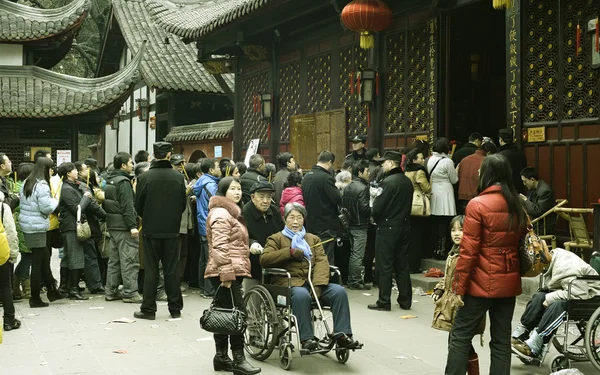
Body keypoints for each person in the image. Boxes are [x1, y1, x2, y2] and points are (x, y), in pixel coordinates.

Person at [445, 154, 527, 375]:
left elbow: (469, 251)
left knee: (460, 335)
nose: (478, 173)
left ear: (488, 174)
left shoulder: (477, 204)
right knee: (501, 340)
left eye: (481, 170)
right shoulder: (517, 203)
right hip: (508, 281)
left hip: (479, 283)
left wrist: (458, 287)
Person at [261, 202, 361, 351]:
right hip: (289, 284)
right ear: (285, 219)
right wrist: (289, 252)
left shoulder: (313, 239)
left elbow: (322, 261)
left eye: (299, 218)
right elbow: (265, 259)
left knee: (339, 292)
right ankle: (306, 339)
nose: (295, 222)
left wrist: (318, 285)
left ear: (304, 220)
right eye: (292, 217)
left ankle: (342, 334)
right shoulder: (276, 239)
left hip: (313, 283)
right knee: (301, 295)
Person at [204, 176, 261, 375]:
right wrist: (226, 274)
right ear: (223, 192)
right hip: (226, 271)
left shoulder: (230, 213)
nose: (237, 192)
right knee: (238, 315)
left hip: (231, 269)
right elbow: (219, 247)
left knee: (225, 315)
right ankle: (238, 359)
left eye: (239, 189)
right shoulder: (221, 213)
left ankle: (221, 357)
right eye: (233, 189)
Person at [511, 247, 600, 361]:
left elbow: (579, 293)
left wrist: (550, 298)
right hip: (575, 292)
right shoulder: (554, 259)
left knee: (557, 305)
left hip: (591, 297)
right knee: (539, 297)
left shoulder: (565, 266)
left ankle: (535, 344)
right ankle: (521, 334)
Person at [134, 142, 187, 320]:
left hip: (151, 229)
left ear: (154, 154)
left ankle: (148, 308)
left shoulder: (145, 177)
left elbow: (138, 206)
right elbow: (182, 205)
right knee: (171, 270)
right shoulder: (179, 177)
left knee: (151, 270)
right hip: (171, 230)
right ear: (169, 155)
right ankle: (175, 308)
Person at [432, 215, 483, 375]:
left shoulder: (468, 254)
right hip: (450, 303)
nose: (456, 233)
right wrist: (439, 289)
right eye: (453, 230)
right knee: (460, 343)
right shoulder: (453, 252)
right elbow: (448, 276)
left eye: (461, 230)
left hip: (461, 304)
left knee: (458, 343)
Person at [368, 151, 413, 311]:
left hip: (387, 227)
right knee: (402, 264)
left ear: (392, 163)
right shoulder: (407, 181)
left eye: (384, 162)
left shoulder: (388, 182)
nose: (382, 165)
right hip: (404, 225)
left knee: (384, 264)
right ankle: (405, 300)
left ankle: (384, 300)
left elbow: (378, 208)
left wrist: (374, 214)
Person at [57, 162, 106, 300]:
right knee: (75, 258)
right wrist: (87, 197)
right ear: (68, 173)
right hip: (71, 226)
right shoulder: (67, 189)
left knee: (69, 258)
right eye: (73, 170)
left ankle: (64, 287)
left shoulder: (75, 185)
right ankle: (73, 289)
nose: (76, 172)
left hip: (74, 225)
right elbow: (76, 208)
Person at [19, 157, 62, 307]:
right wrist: (55, 200)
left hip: (29, 226)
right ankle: (35, 298)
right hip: (37, 226)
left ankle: (52, 290)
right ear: (45, 169)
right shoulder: (42, 185)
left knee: (43, 259)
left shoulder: (27, 182)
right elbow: (46, 208)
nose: (52, 171)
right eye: (51, 169)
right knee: (38, 263)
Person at [103, 152, 142, 303]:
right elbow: (127, 206)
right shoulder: (124, 182)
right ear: (123, 165)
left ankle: (111, 291)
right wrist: (132, 226)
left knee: (114, 260)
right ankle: (130, 292)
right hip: (124, 227)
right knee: (130, 260)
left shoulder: (110, 180)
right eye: (131, 163)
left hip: (113, 225)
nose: (133, 165)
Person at [242, 181, 284, 292]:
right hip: (253, 264)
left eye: (269, 197)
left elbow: (282, 232)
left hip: (273, 262)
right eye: (261, 197)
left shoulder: (274, 211)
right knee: (253, 299)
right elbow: (241, 237)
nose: (265, 201)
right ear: (252, 197)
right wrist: (252, 243)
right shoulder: (244, 213)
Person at [302, 151, 342, 265]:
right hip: (326, 224)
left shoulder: (306, 177)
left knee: (314, 254)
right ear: (330, 162)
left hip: (311, 223)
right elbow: (337, 198)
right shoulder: (325, 178)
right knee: (326, 257)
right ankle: (325, 281)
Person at [192, 158, 221, 298]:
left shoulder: (201, 182)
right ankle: (209, 290)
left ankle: (203, 287)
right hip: (210, 224)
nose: (219, 169)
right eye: (217, 166)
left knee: (204, 258)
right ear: (210, 170)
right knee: (211, 258)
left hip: (202, 223)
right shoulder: (210, 185)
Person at [341, 159, 371, 290]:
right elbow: (364, 208)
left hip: (350, 223)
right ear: (360, 172)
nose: (369, 173)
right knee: (358, 255)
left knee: (353, 253)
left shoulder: (348, 186)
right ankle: (355, 281)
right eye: (367, 171)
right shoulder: (363, 188)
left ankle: (352, 279)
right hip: (360, 224)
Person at [428, 138, 459, 259]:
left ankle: (435, 249)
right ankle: (443, 250)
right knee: (445, 222)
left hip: (434, 189)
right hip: (445, 191)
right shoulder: (447, 161)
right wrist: (456, 171)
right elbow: (454, 179)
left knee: (436, 221)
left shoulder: (430, 160)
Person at [403, 148, 432, 271]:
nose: (422, 160)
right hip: (418, 205)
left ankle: (409, 264)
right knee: (417, 237)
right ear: (415, 160)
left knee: (410, 237)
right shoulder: (419, 171)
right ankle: (415, 266)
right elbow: (426, 188)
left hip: (408, 203)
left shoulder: (407, 171)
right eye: (420, 157)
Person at [10, 162, 33, 301]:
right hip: (23, 225)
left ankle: (15, 284)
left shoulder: (18, 185)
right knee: (27, 257)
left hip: (22, 224)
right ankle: (26, 288)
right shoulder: (23, 188)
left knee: (26, 257)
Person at [457, 142, 497, 214]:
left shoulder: (464, 160)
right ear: (489, 153)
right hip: (478, 196)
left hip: (462, 196)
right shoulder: (486, 162)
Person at [1, 191, 20, 331]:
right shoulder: (3, 208)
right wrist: (13, 253)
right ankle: (9, 320)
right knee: (5, 286)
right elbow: (11, 233)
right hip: (1, 252)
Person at [520, 167, 556, 235]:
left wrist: (525, 200)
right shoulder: (533, 188)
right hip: (535, 222)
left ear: (532, 179)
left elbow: (537, 211)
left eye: (525, 181)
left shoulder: (545, 191)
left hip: (542, 226)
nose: (524, 184)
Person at [497, 128, 527, 194]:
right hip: (519, 191)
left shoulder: (499, 156)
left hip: (505, 191)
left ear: (501, 140)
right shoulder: (521, 154)